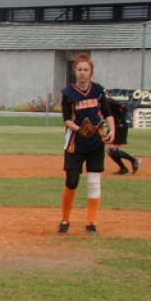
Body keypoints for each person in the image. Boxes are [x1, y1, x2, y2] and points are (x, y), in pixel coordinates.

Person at [58, 53, 114, 237]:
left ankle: (91, 223)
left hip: (95, 142)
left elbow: (107, 112)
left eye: (86, 70)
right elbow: (66, 120)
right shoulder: (68, 93)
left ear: (91, 72)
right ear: (75, 71)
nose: (82, 73)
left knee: (93, 181)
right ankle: (65, 220)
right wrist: (79, 129)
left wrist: (111, 130)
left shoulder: (98, 90)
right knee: (72, 182)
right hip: (76, 142)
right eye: (79, 69)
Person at [106, 97, 140, 175]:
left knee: (112, 150)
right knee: (109, 151)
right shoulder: (100, 103)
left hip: (120, 126)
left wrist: (120, 120)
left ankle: (134, 160)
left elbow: (124, 108)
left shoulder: (109, 102)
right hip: (114, 126)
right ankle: (123, 169)